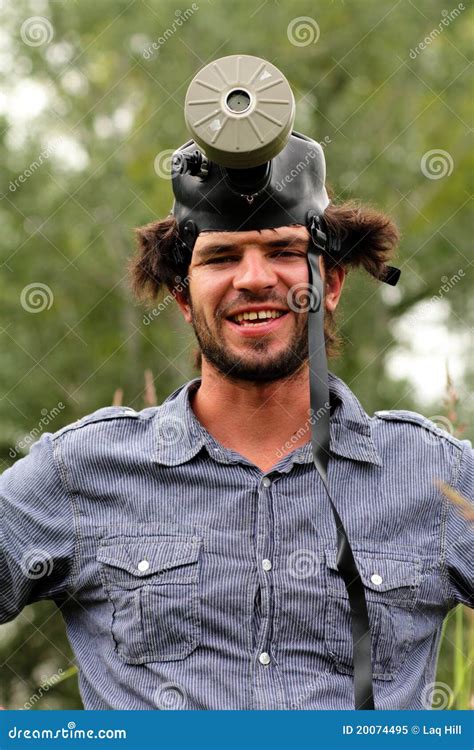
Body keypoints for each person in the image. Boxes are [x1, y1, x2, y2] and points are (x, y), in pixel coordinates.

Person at [1, 53, 472, 711]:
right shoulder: (79, 473)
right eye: (221, 257)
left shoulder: (438, 477)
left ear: (330, 283)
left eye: (283, 252)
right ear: (182, 293)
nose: (254, 279)